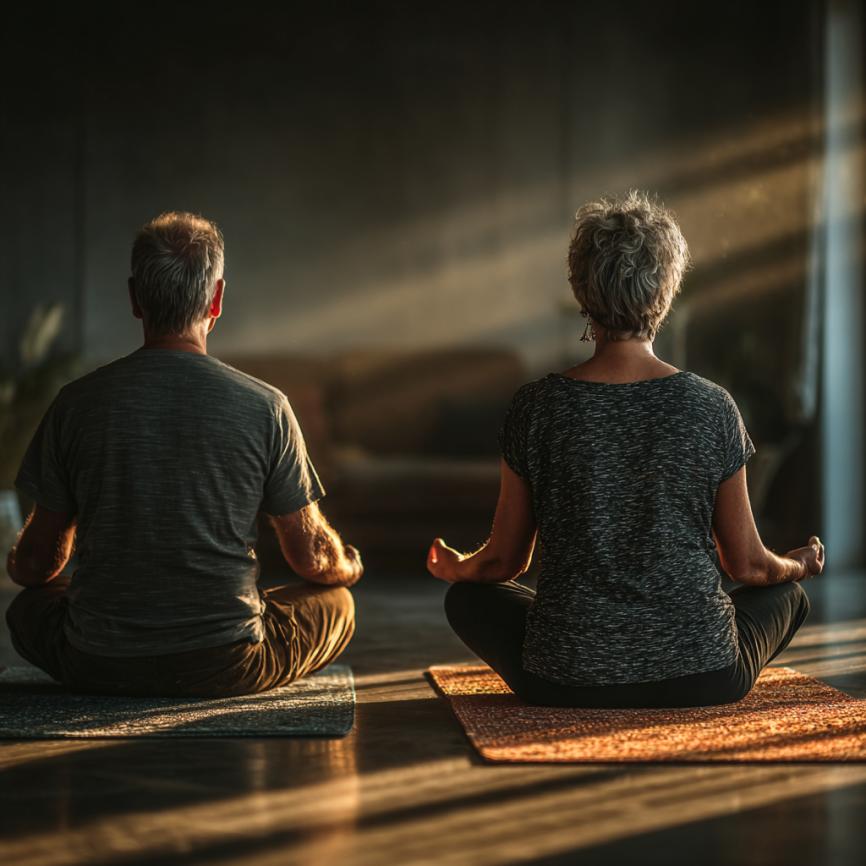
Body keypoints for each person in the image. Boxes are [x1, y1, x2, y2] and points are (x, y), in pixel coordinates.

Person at [427, 191, 824, 709]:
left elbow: (503, 562)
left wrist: (457, 567)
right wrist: (796, 567)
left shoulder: (536, 406)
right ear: (668, 288)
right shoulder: (713, 406)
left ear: (581, 288)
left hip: (563, 678)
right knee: (786, 594)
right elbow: (748, 567)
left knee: (466, 597)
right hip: (702, 676)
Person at [5, 211, 362, 697]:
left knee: (26, 607)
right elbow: (312, 560)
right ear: (216, 299)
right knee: (337, 601)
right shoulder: (267, 406)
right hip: (227, 663)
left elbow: (37, 566)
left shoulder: (75, 403)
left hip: (98, 662)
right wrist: (347, 564)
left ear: (135, 298)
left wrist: (25, 565)